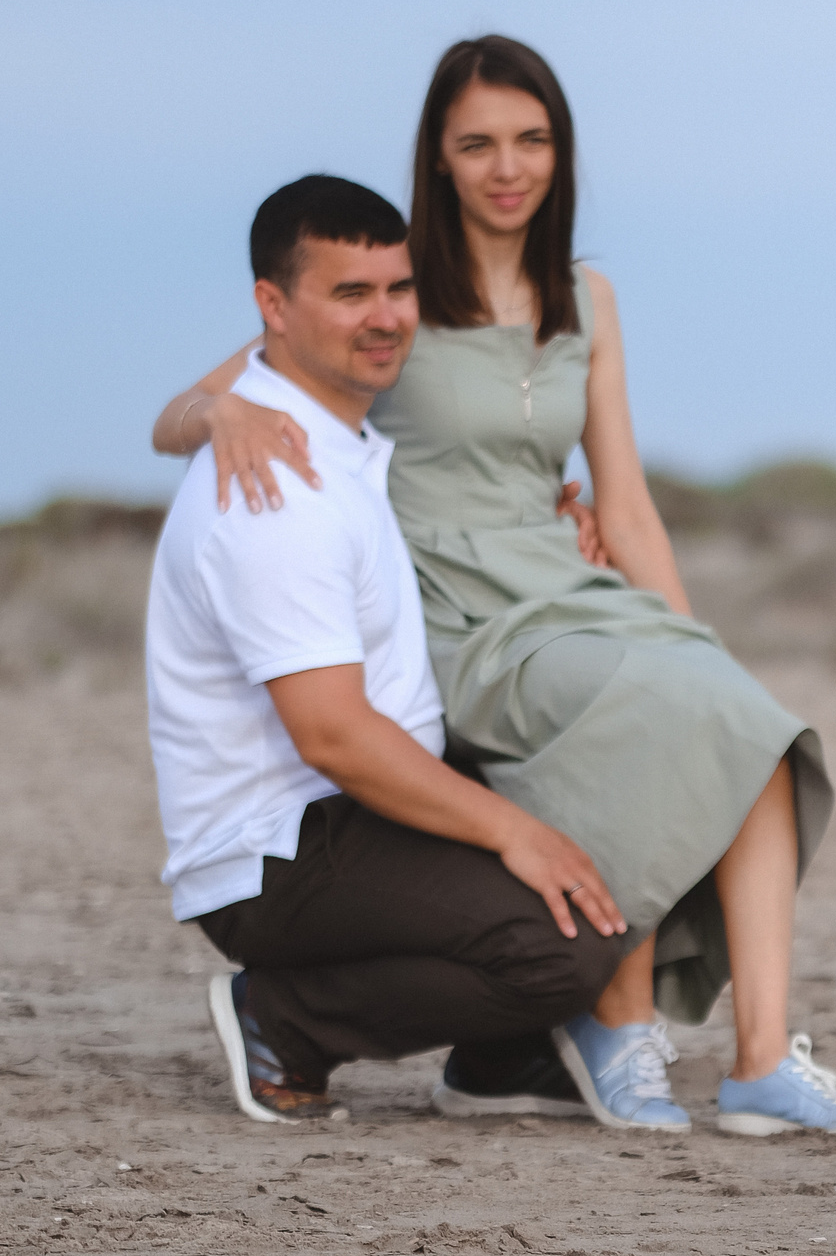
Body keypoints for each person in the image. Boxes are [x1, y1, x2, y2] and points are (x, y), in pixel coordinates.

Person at [151, 36, 836, 1141]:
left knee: (739, 720)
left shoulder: (584, 296)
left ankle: (760, 1062)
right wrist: (221, 412)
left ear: (562, 150)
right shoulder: (398, 289)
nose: (509, 166)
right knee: (655, 716)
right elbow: (193, 407)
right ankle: (619, 1028)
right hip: (450, 602)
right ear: (436, 159)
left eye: (532, 139)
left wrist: (685, 642)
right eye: (478, 143)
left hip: (563, 583)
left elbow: (625, 500)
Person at [149, 174, 636, 1124]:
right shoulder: (274, 490)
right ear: (273, 308)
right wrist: (512, 830)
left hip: (358, 798)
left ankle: (502, 1057)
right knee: (562, 945)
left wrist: (555, 513)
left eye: (397, 289)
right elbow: (330, 737)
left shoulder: (332, 430)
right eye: (350, 293)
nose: (385, 319)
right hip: (281, 842)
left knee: (613, 801)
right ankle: (287, 1020)